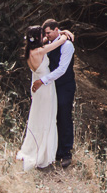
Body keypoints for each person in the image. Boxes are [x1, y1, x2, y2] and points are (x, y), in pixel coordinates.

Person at [16, 24, 72, 171]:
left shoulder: (30, 51)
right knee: (48, 117)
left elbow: (48, 40)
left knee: (37, 117)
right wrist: (64, 33)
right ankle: (44, 153)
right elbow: (61, 41)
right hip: (45, 87)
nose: (45, 37)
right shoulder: (41, 51)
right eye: (43, 35)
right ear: (38, 37)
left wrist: (58, 31)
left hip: (36, 88)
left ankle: (36, 146)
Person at [32, 19, 76, 168]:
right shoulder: (49, 43)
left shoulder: (67, 45)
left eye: (48, 33)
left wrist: (42, 81)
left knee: (64, 115)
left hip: (65, 86)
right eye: (45, 34)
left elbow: (62, 69)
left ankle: (66, 152)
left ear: (56, 29)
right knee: (52, 115)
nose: (46, 36)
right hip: (52, 86)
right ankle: (55, 150)